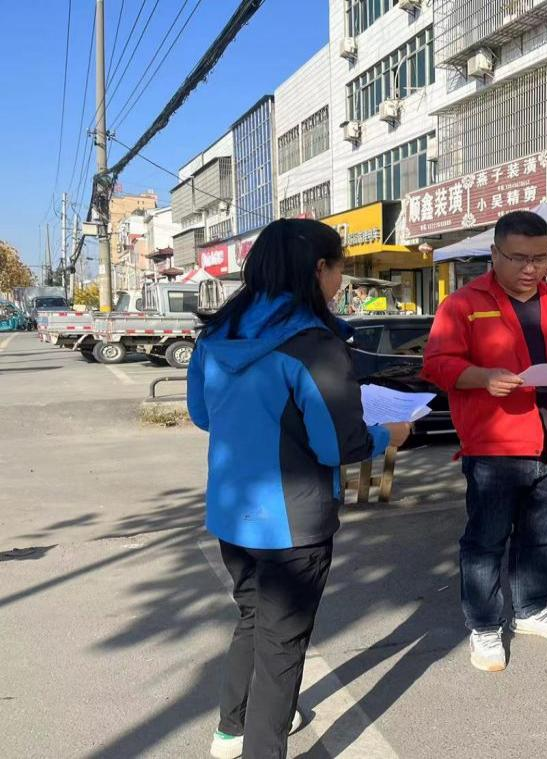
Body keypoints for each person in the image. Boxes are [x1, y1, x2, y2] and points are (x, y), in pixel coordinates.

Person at [187, 219, 410, 759]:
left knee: (253, 618)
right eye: (339, 271)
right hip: (293, 520)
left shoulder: (216, 335)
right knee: (282, 645)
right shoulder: (314, 344)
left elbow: (202, 414)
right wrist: (390, 434)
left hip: (231, 512)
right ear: (319, 269)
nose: (340, 283)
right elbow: (339, 446)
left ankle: (230, 730)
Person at [422, 210, 547, 673]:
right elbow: (436, 364)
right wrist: (482, 377)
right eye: (518, 258)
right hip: (494, 447)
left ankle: (532, 608)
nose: (531, 269)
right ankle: (483, 625)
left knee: (541, 537)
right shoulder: (464, 304)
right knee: (485, 542)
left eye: (541, 258)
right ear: (494, 254)